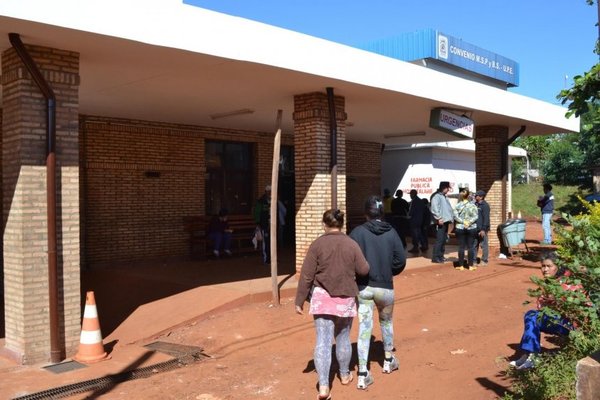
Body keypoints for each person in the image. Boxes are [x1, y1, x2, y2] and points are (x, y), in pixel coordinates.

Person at [295, 209, 370, 400]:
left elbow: (306, 275)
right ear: (342, 224)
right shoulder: (351, 244)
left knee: (323, 340)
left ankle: (324, 386)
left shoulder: (317, 245)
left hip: (322, 299)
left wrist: (299, 301)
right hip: (345, 298)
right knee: (343, 338)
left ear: (324, 224)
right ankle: (345, 375)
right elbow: (363, 269)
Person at [350, 195, 406, 390]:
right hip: (385, 288)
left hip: (364, 288)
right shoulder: (392, 232)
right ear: (382, 213)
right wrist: (388, 271)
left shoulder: (357, 233)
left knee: (364, 328)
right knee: (387, 323)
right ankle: (388, 361)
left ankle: (363, 373)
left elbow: (350, 259)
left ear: (366, 213)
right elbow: (401, 260)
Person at [509, 251, 579, 370]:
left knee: (532, 317)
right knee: (531, 317)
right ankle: (528, 354)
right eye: (543, 266)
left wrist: (554, 300)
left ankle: (532, 355)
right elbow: (541, 307)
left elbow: (573, 309)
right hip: (555, 320)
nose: (545, 269)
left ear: (558, 267)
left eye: (549, 266)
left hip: (569, 325)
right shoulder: (548, 283)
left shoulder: (566, 283)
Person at [453, 187, 479, 270]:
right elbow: (476, 216)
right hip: (471, 228)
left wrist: (463, 222)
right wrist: (469, 222)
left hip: (460, 227)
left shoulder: (457, 205)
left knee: (461, 247)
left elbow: (455, 216)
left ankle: (461, 266)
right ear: (469, 196)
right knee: (470, 247)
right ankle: (470, 266)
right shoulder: (473, 205)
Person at [430, 181, 454, 264]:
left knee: (444, 239)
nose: (448, 190)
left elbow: (449, 209)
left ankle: (440, 255)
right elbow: (434, 209)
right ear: (444, 188)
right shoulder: (436, 197)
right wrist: (438, 218)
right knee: (439, 240)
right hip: (440, 222)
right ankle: (435, 257)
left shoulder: (444, 197)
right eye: (448, 188)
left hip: (446, 221)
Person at [253, 185, 271, 264]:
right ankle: (266, 259)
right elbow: (257, 213)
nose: (270, 193)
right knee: (265, 242)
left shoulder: (271, 200)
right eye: (269, 191)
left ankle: (269, 258)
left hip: (269, 224)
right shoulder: (261, 201)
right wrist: (258, 224)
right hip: (264, 225)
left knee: (269, 242)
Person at [407, 189, 427, 254]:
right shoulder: (420, 201)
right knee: (419, 233)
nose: (410, 195)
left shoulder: (414, 201)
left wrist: (408, 215)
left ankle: (415, 247)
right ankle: (423, 245)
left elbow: (411, 211)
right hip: (420, 220)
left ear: (413, 194)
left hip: (414, 220)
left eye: (410, 194)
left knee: (415, 234)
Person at [474, 190, 490, 266]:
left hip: (482, 229)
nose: (475, 196)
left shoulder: (485, 206)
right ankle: (473, 260)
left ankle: (484, 261)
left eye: (476, 195)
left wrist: (483, 229)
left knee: (484, 245)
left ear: (481, 197)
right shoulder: (475, 204)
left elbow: (486, 219)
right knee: (474, 245)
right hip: (475, 229)